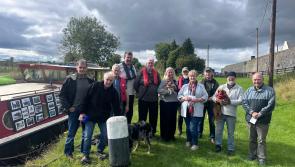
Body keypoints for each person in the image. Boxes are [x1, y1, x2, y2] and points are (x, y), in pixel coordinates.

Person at [79, 72, 121, 164]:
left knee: (105, 135)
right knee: (87, 136)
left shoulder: (114, 92)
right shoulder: (94, 86)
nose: (108, 82)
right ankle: (86, 155)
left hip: (103, 117)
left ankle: (100, 151)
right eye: (107, 80)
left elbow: (116, 107)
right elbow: (85, 99)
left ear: (113, 81)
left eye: (111, 80)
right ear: (103, 78)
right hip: (90, 115)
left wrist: (118, 119)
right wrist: (82, 112)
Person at [60, 59, 94, 158]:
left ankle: (84, 151)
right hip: (74, 111)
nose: (82, 69)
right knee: (71, 132)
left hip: (85, 111)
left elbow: (93, 95)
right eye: (80, 67)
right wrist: (68, 107)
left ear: (87, 68)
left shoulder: (90, 80)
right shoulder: (70, 79)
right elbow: (62, 95)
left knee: (85, 131)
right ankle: (68, 152)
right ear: (77, 67)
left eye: (84, 68)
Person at [242, 72, 275, 166]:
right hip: (250, 119)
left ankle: (261, 158)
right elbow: (244, 102)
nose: (257, 81)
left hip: (263, 120)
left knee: (261, 140)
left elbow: (271, 105)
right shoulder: (248, 90)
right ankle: (252, 155)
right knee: (252, 138)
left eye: (258, 79)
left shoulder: (270, 90)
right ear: (252, 80)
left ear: (262, 79)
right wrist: (252, 112)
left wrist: (260, 114)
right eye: (255, 80)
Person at [213, 71, 244, 155]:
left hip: (231, 114)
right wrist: (218, 100)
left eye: (232, 77)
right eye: (229, 77)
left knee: (230, 132)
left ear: (235, 78)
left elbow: (241, 101)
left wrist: (229, 102)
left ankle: (230, 148)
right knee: (218, 130)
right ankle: (218, 145)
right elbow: (213, 97)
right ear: (226, 78)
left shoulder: (239, 88)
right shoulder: (221, 87)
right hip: (220, 112)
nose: (231, 79)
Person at [177, 70, 208, 151]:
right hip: (186, 109)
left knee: (193, 127)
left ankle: (195, 143)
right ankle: (188, 140)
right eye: (190, 76)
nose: (192, 77)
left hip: (197, 110)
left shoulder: (201, 86)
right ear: (189, 77)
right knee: (188, 127)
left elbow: (206, 96)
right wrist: (184, 98)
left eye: (194, 76)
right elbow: (179, 96)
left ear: (196, 76)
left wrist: (198, 99)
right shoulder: (185, 86)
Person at [134, 58, 161, 136]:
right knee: (142, 117)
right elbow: (136, 84)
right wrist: (139, 92)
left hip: (154, 99)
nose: (150, 64)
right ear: (146, 64)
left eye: (152, 63)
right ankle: (141, 132)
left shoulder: (157, 73)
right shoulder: (141, 72)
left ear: (153, 64)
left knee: (153, 117)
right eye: (149, 63)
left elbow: (159, 83)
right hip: (143, 99)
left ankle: (152, 132)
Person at [158, 67, 179, 141]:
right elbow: (159, 90)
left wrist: (175, 88)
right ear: (166, 73)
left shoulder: (175, 81)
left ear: (173, 73)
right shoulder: (164, 81)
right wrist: (168, 90)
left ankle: (171, 135)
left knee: (172, 119)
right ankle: (164, 135)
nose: (170, 73)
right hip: (165, 102)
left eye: (171, 72)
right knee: (164, 119)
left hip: (174, 102)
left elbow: (178, 91)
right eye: (169, 72)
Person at [200, 67, 219, 143]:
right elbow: (199, 92)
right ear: (204, 73)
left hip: (212, 103)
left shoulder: (215, 82)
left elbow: (217, 92)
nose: (208, 74)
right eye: (206, 72)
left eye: (209, 72)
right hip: (202, 103)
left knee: (211, 120)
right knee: (201, 119)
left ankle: (212, 136)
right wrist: (204, 98)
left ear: (212, 73)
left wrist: (212, 98)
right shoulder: (201, 81)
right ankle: (199, 133)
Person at [119, 51, 137, 124]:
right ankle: (120, 127)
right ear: (124, 58)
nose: (129, 59)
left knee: (130, 111)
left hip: (131, 92)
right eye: (127, 57)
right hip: (122, 93)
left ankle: (128, 127)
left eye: (130, 57)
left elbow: (134, 78)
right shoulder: (119, 66)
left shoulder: (133, 67)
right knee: (121, 111)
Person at [177, 67, 190, 136]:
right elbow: (177, 89)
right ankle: (180, 130)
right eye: (184, 71)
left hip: (188, 100)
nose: (185, 73)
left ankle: (189, 129)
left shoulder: (190, 79)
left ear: (188, 72)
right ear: (182, 72)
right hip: (180, 100)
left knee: (188, 115)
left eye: (186, 71)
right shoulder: (179, 79)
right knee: (180, 116)